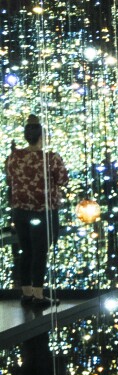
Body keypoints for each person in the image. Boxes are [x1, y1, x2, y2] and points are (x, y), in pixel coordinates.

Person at [4, 114, 69, 307]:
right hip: (43, 212)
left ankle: (26, 293)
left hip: (20, 212)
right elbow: (63, 180)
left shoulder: (14, 156)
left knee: (26, 251)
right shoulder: (50, 158)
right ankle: (39, 296)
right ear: (42, 137)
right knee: (40, 252)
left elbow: (9, 178)